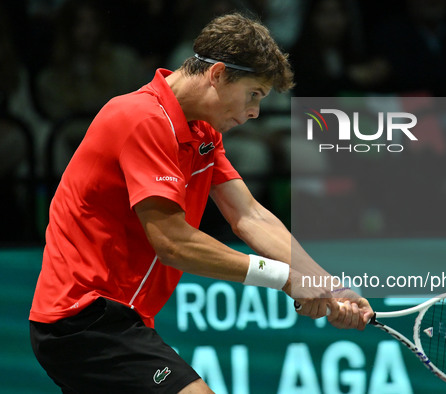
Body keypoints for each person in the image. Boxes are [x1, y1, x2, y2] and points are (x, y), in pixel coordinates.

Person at [29, 12, 373, 394]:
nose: (255, 112)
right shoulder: (142, 119)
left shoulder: (201, 130)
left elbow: (249, 215)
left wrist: (326, 284)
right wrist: (285, 278)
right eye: (253, 94)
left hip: (121, 318)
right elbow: (173, 242)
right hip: (83, 317)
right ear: (218, 75)